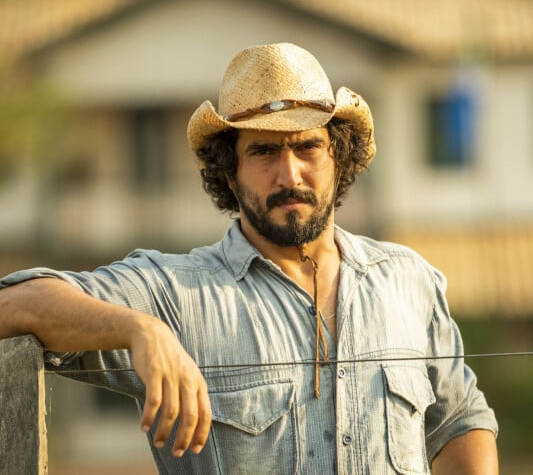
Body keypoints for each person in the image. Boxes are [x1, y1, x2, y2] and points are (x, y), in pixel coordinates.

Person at [0, 42, 498, 474]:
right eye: (263, 152)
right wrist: (141, 331)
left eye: (307, 147)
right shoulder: (174, 294)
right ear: (230, 172)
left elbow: (459, 420)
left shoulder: (407, 279)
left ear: (337, 158)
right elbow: (13, 304)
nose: (290, 174)